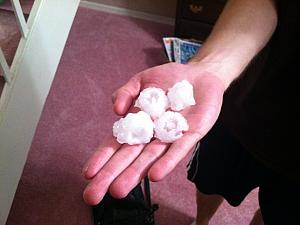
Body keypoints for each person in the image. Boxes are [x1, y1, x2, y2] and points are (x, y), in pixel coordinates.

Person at [82, 0, 300, 224]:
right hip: (244, 103)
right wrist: (211, 67)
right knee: (211, 179)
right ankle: (201, 221)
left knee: (278, 214)